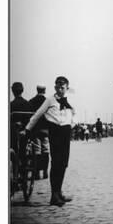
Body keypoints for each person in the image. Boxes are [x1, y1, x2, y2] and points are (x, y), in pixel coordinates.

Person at [25, 76, 76, 207]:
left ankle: (59, 192)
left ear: (67, 88)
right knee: (56, 163)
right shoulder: (50, 100)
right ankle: (54, 195)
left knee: (64, 163)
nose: (60, 89)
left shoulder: (70, 100)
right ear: (54, 87)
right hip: (55, 132)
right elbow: (38, 114)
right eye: (57, 87)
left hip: (65, 133)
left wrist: (71, 124)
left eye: (62, 87)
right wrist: (27, 129)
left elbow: (75, 113)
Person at [28, 85, 50, 179]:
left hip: (35, 130)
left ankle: (36, 172)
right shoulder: (48, 101)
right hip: (45, 130)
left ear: (37, 90)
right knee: (45, 150)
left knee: (37, 151)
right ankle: (45, 172)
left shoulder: (31, 101)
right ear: (44, 91)